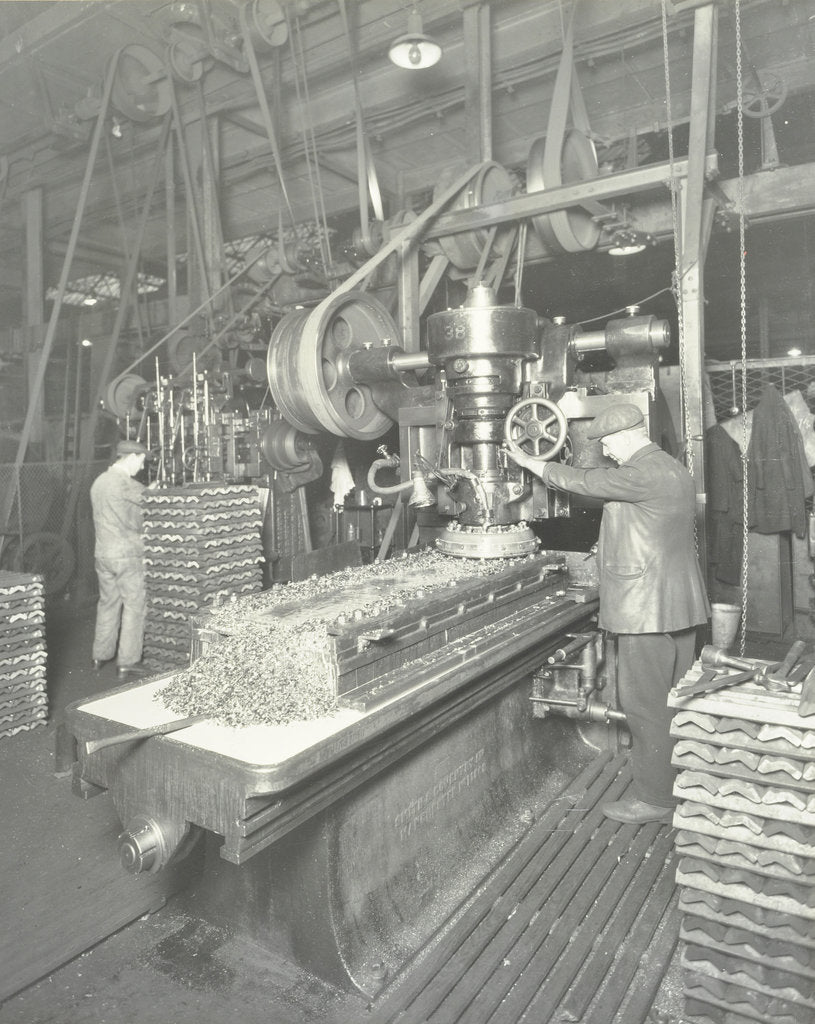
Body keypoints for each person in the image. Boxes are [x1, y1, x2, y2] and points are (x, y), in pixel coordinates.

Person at [507, 403, 710, 824]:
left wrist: (530, 461)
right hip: (679, 603)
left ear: (629, 435)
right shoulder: (673, 468)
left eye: (608, 444)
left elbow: (585, 481)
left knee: (645, 705)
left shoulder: (641, 473)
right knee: (677, 699)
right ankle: (680, 782)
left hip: (646, 609)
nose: (608, 452)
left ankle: (656, 799)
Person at [90, 439, 157, 679]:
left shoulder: (99, 482)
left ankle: (100, 655)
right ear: (130, 457)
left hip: (103, 554)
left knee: (108, 603)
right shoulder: (125, 484)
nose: (141, 467)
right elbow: (152, 500)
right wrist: (155, 489)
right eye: (140, 461)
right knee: (135, 605)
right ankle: (128, 661)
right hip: (126, 555)